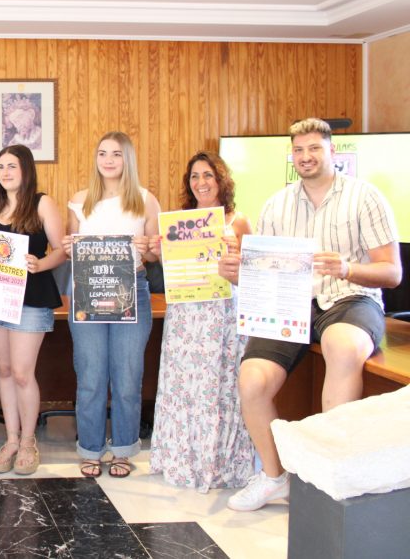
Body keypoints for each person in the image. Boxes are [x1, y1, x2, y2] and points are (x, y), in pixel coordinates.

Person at [219, 118, 401, 511]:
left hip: (351, 299)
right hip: (291, 305)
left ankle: (334, 475)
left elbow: (392, 272)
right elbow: (264, 274)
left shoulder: (365, 197)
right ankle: (274, 478)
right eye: (299, 150)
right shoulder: (276, 205)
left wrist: (347, 268)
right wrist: (236, 273)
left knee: (342, 345)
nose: (306, 156)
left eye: (314, 148)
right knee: (251, 380)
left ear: (332, 151)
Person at [148, 151, 255, 492]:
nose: (201, 182)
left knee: (219, 385)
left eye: (208, 175)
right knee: (183, 386)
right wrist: (157, 252)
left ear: (221, 180)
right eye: (194, 176)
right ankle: (181, 459)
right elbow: (171, 268)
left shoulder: (238, 221)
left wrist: (236, 254)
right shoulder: (178, 221)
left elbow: (254, 271)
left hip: (222, 316)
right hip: (185, 316)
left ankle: (220, 463)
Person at [63, 131, 160, 478]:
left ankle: (123, 449)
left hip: (131, 291)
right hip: (88, 292)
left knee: (127, 377)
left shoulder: (146, 200)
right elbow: (69, 251)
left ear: (127, 159)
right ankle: (90, 448)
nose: (108, 160)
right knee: (90, 375)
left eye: (116, 154)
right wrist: (68, 247)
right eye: (102, 153)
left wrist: (149, 247)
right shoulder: (80, 200)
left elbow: (155, 255)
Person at [0, 144, 65, 476]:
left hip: (31, 297)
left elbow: (61, 250)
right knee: (5, 369)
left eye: (12, 166)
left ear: (26, 169)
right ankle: (11, 439)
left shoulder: (42, 203)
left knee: (24, 372)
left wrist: (41, 264)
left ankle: (28, 441)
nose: (6, 172)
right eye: (1, 167)